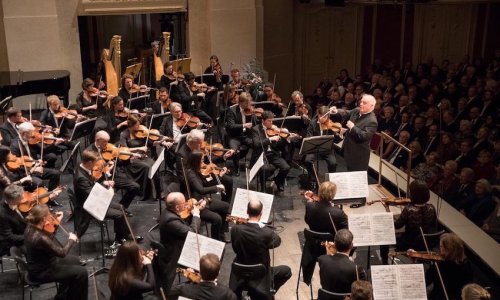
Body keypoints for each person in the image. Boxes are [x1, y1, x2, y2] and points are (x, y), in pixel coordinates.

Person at [73, 149, 139, 245]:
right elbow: (93, 195)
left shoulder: (82, 166)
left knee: (121, 207)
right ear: (89, 162)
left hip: (92, 199)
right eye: (95, 163)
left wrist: (103, 182)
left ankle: (123, 235)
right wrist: (109, 192)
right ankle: (119, 239)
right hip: (89, 206)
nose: (96, 165)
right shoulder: (81, 178)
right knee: (119, 214)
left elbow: (91, 184)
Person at [229, 199, 292, 298]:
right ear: (261, 213)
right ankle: (269, 292)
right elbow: (277, 241)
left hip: (239, 270)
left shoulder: (235, 230)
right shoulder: (266, 232)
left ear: (247, 212)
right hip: (260, 272)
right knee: (287, 271)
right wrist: (262, 226)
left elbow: (235, 247)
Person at [24, 204, 88, 300]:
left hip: (42, 262)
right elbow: (62, 253)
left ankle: (63, 295)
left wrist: (57, 222)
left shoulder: (30, 226)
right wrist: (71, 239)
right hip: (42, 271)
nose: (51, 217)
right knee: (82, 273)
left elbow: (49, 238)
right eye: (48, 216)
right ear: (43, 219)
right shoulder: (40, 237)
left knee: (75, 261)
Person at [380, 180, 437, 265]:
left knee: (384, 237)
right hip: (426, 242)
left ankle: (384, 262)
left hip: (409, 243)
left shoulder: (409, 209)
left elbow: (397, 225)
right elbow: (434, 226)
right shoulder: (432, 208)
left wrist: (387, 209)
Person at [86, 130, 140, 212]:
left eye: (108, 141)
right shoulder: (89, 153)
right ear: (97, 140)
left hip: (111, 176)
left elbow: (117, 162)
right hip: (99, 180)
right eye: (105, 142)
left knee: (135, 187)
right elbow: (90, 175)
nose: (107, 144)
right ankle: (106, 210)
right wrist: (107, 169)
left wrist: (129, 159)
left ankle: (122, 207)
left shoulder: (108, 147)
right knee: (108, 192)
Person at [158, 192, 201, 292]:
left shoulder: (168, 211)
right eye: (184, 203)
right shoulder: (171, 220)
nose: (186, 204)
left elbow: (182, 226)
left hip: (175, 244)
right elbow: (192, 233)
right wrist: (196, 216)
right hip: (174, 252)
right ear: (177, 207)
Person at [185, 151, 230, 241]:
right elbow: (201, 189)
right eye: (201, 160)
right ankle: (215, 241)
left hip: (204, 200)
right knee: (217, 219)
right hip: (196, 204)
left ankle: (221, 234)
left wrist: (219, 177)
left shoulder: (197, 171)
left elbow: (206, 184)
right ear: (195, 161)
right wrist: (217, 187)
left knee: (225, 206)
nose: (203, 163)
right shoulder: (191, 174)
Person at [330, 94, 378, 171]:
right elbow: (346, 112)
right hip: (348, 150)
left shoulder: (372, 121)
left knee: (354, 178)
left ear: (371, 106)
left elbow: (364, 136)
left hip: (358, 156)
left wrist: (353, 127)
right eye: (361, 102)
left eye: (364, 103)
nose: (361, 104)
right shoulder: (357, 110)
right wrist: (336, 111)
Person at [250, 111, 290, 192]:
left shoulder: (274, 129)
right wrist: (270, 139)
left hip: (273, 153)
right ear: (263, 120)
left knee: (286, 168)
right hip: (261, 154)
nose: (271, 123)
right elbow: (256, 144)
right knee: (265, 169)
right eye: (269, 121)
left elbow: (279, 146)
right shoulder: (256, 129)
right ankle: (263, 186)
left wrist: (287, 139)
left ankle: (278, 180)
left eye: (272, 120)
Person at [169, 253, 237, 300]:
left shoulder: (184, 289)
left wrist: (190, 281)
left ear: (200, 272)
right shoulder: (228, 294)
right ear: (218, 273)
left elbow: (168, 292)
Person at [426, 233, 473, 300]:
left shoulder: (439, 265)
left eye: (441, 247)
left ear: (448, 249)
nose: (440, 249)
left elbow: (426, 280)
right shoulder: (467, 264)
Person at [318, 229, 366, 294]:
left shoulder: (322, 260)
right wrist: (350, 261)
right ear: (351, 245)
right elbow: (362, 293)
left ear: (334, 244)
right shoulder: (356, 269)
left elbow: (333, 264)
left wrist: (330, 254)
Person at [303, 106, 342, 185]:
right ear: (318, 114)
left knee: (333, 163)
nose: (322, 119)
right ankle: (313, 178)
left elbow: (336, 140)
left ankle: (330, 181)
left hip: (327, 150)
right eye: (321, 116)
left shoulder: (331, 125)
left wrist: (340, 134)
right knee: (307, 161)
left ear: (328, 116)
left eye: (325, 117)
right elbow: (308, 136)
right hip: (314, 148)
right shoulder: (313, 123)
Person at [225, 92, 255, 176]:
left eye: (249, 102)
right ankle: (236, 167)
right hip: (235, 136)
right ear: (240, 102)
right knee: (234, 149)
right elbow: (231, 126)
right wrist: (244, 125)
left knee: (257, 145)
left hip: (246, 136)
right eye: (246, 103)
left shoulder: (250, 110)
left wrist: (254, 115)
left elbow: (256, 123)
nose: (249, 104)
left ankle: (251, 167)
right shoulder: (232, 110)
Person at [0, 184, 28, 255]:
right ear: (13, 201)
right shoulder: (2, 215)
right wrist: (28, 237)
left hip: (23, 230)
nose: (23, 199)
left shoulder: (9, 200)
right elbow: (9, 237)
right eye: (21, 198)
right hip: (16, 241)